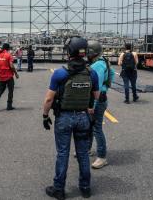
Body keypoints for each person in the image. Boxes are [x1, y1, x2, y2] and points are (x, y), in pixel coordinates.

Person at [41, 37, 100, 199]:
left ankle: (59, 189)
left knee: (63, 153)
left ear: (69, 52)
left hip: (64, 117)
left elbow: (48, 99)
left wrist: (45, 116)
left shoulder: (60, 73)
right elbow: (96, 96)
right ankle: (85, 187)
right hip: (83, 117)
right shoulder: (92, 73)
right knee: (82, 153)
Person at [87, 40, 115, 169]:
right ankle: (87, 149)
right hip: (102, 97)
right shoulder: (104, 61)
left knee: (96, 128)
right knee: (91, 126)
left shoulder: (97, 65)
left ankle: (102, 157)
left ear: (92, 52)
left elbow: (95, 87)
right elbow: (112, 74)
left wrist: (92, 104)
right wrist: (106, 87)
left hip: (97, 100)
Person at [0, 43, 19, 111]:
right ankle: (9, 106)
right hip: (9, 76)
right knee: (10, 91)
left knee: (1, 90)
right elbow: (11, 66)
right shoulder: (8, 55)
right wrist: (16, 73)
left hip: (1, 76)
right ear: (8, 48)